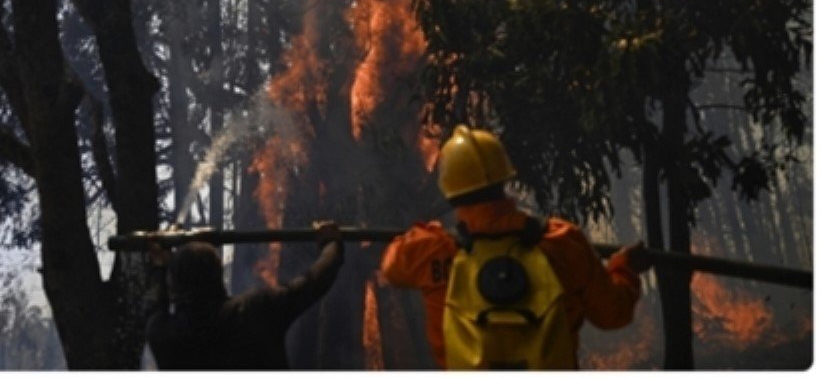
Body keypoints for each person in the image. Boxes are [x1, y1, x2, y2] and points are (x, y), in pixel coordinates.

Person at [381, 125, 651, 369]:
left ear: (449, 191)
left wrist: (427, 233)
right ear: (504, 180)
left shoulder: (431, 252)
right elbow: (613, 314)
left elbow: (391, 266)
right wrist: (624, 268)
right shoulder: (563, 242)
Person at [146, 221, 343, 369]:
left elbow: (155, 302)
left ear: (174, 285)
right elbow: (314, 281)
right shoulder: (256, 309)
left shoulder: (164, 336)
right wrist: (331, 243)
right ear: (217, 274)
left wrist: (160, 266)